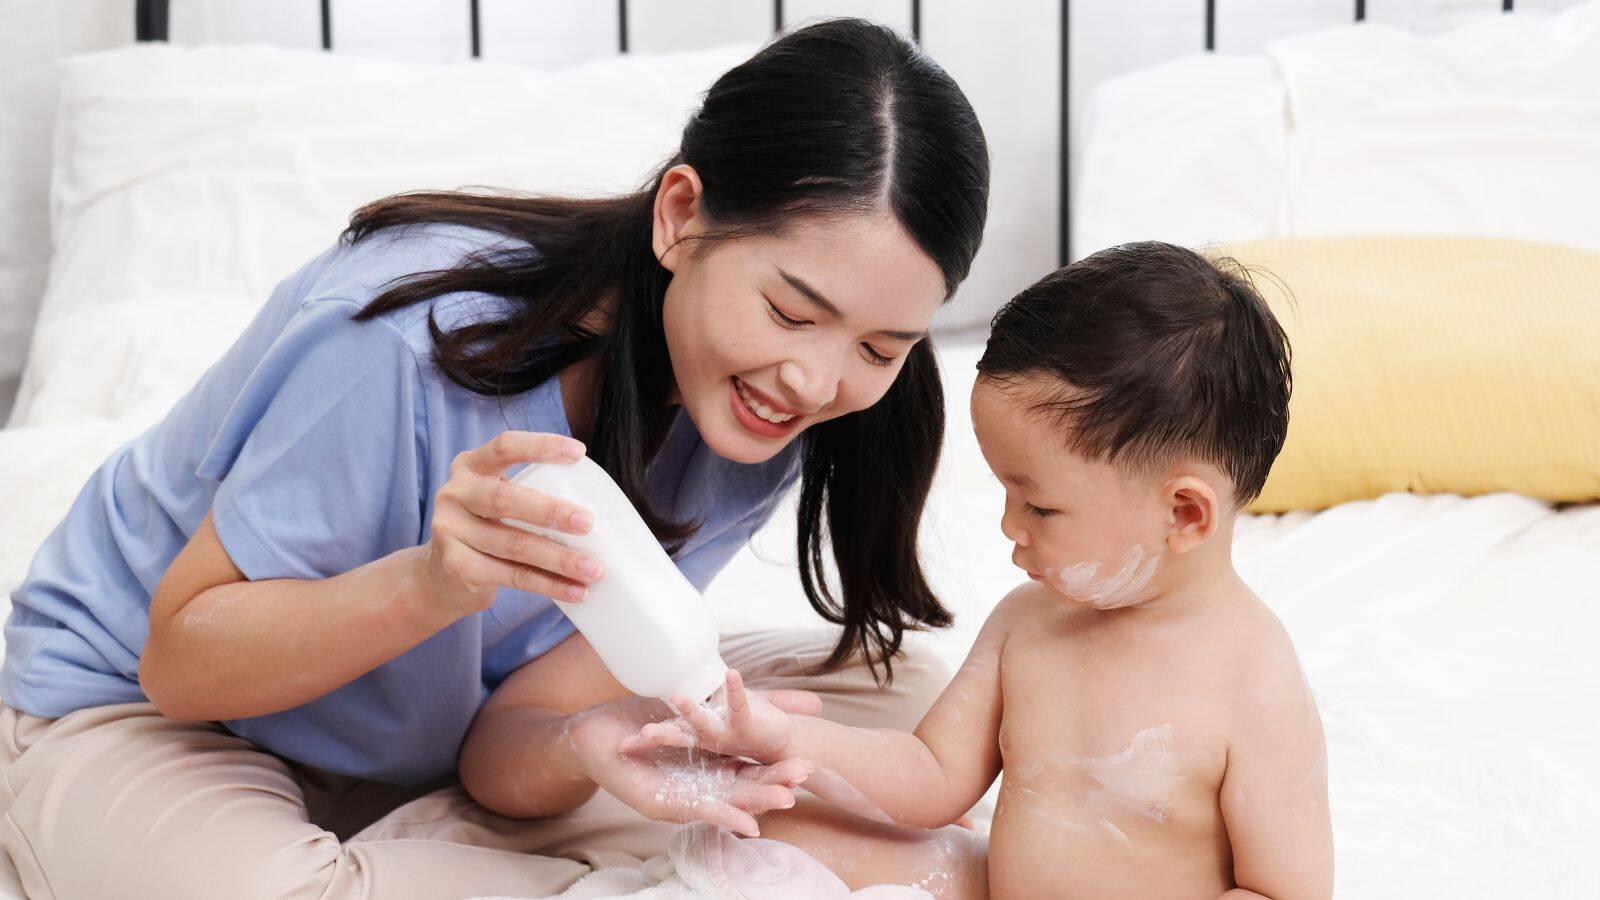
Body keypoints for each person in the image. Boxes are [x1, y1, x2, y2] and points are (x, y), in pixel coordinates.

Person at [0, 18, 989, 899]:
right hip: (158, 712)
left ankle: (434, 851)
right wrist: (432, 586)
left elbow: (508, 738)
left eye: (878, 348)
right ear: (681, 215)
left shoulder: (752, 410)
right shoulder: (400, 341)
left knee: (904, 701)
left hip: (435, 741)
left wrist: (582, 749)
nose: (814, 382)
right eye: (790, 311)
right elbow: (180, 667)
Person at [630, 242, 1335, 898]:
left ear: (1184, 514)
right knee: (745, 834)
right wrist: (785, 740)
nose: (1007, 525)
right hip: (994, 885)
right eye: (1005, 493)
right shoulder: (1029, 623)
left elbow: (1286, 891)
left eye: (1039, 506)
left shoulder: (1253, 682)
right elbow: (932, 778)